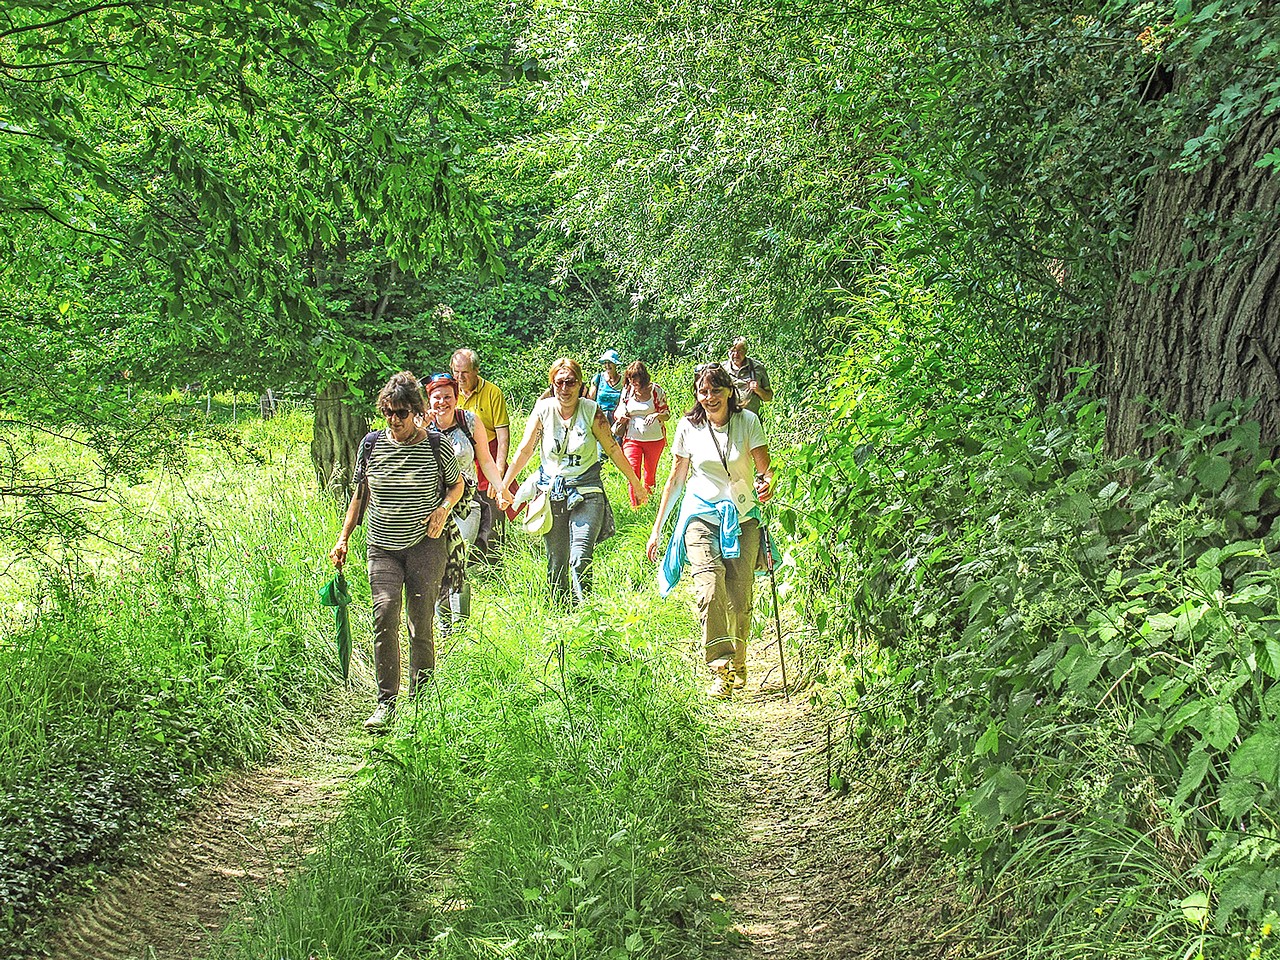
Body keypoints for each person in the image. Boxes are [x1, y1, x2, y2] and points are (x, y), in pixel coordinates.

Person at [329, 372, 467, 730]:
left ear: (417, 412)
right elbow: (359, 494)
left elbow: (457, 486)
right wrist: (343, 537)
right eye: (388, 412)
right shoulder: (371, 445)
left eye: (402, 413)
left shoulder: (437, 446)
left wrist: (443, 509)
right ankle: (386, 702)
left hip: (425, 545)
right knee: (385, 615)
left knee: (420, 622)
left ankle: (420, 703)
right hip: (381, 546)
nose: (394, 420)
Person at [646, 364, 774, 699]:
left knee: (739, 596)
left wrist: (767, 485)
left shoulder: (748, 422)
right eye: (703, 392)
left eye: (716, 390)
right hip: (700, 514)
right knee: (709, 586)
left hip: (742, 516)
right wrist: (658, 529)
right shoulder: (688, 426)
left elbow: (765, 470)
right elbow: (675, 479)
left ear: (730, 391)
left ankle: (740, 660)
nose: (709, 397)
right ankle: (720, 668)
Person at [501, 358, 650, 604]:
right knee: (556, 561)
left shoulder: (591, 410)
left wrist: (636, 483)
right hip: (552, 492)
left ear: (580, 384)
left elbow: (612, 448)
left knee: (580, 557)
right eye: (559, 383)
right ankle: (560, 614)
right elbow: (525, 450)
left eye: (571, 382)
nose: (565, 388)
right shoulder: (543, 410)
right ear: (552, 385)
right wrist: (505, 485)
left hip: (587, 491)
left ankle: (587, 614)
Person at [423, 372, 511, 633]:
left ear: (456, 396)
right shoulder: (420, 428)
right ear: (428, 400)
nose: (442, 403)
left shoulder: (469, 422)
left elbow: (485, 460)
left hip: (466, 505)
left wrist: (501, 488)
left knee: (456, 557)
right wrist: (420, 428)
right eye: (436, 398)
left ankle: (460, 629)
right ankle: (443, 627)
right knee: (438, 565)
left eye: (447, 397)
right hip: (431, 506)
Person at [451, 349, 510, 560]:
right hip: (460, 460)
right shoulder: (449, 394)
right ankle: (467, 561)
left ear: (476, 371)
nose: (460, 378)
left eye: (465, 372)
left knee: (493, 512)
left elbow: (503, 436)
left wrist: (500, 470)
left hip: (488, 456)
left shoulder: (493, 393)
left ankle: (494, 562)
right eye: (456, 372)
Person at [613, 359, 670, 507]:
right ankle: (636, 507)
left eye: (636, 378)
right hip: (632, 438)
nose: (634, 381)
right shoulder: (627, 390)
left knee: (649, 475)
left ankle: (648, 504)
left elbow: (667, 414)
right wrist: (620, 416)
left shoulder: (656, 390)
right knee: (633, 473)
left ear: (643, 377)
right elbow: (619, 409)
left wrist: (656, 415)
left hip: (655, 440)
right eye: (631, 378)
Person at [721, 336, 773, 416]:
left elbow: (768, 397)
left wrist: (758, 390)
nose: (736, 354)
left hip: (751, 420)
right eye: (733, 351)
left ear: (746, 351)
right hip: (728, 419)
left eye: (740, 351)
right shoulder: (722, 369)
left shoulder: (757, 368)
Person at [588, 349, 625, 425]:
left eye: (610, 362)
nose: (607, 365)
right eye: (605, 363)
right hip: (600, 418)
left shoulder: (623, 381)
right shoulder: (598, 379)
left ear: (615, 364)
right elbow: (590, 400)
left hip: (617, 419)